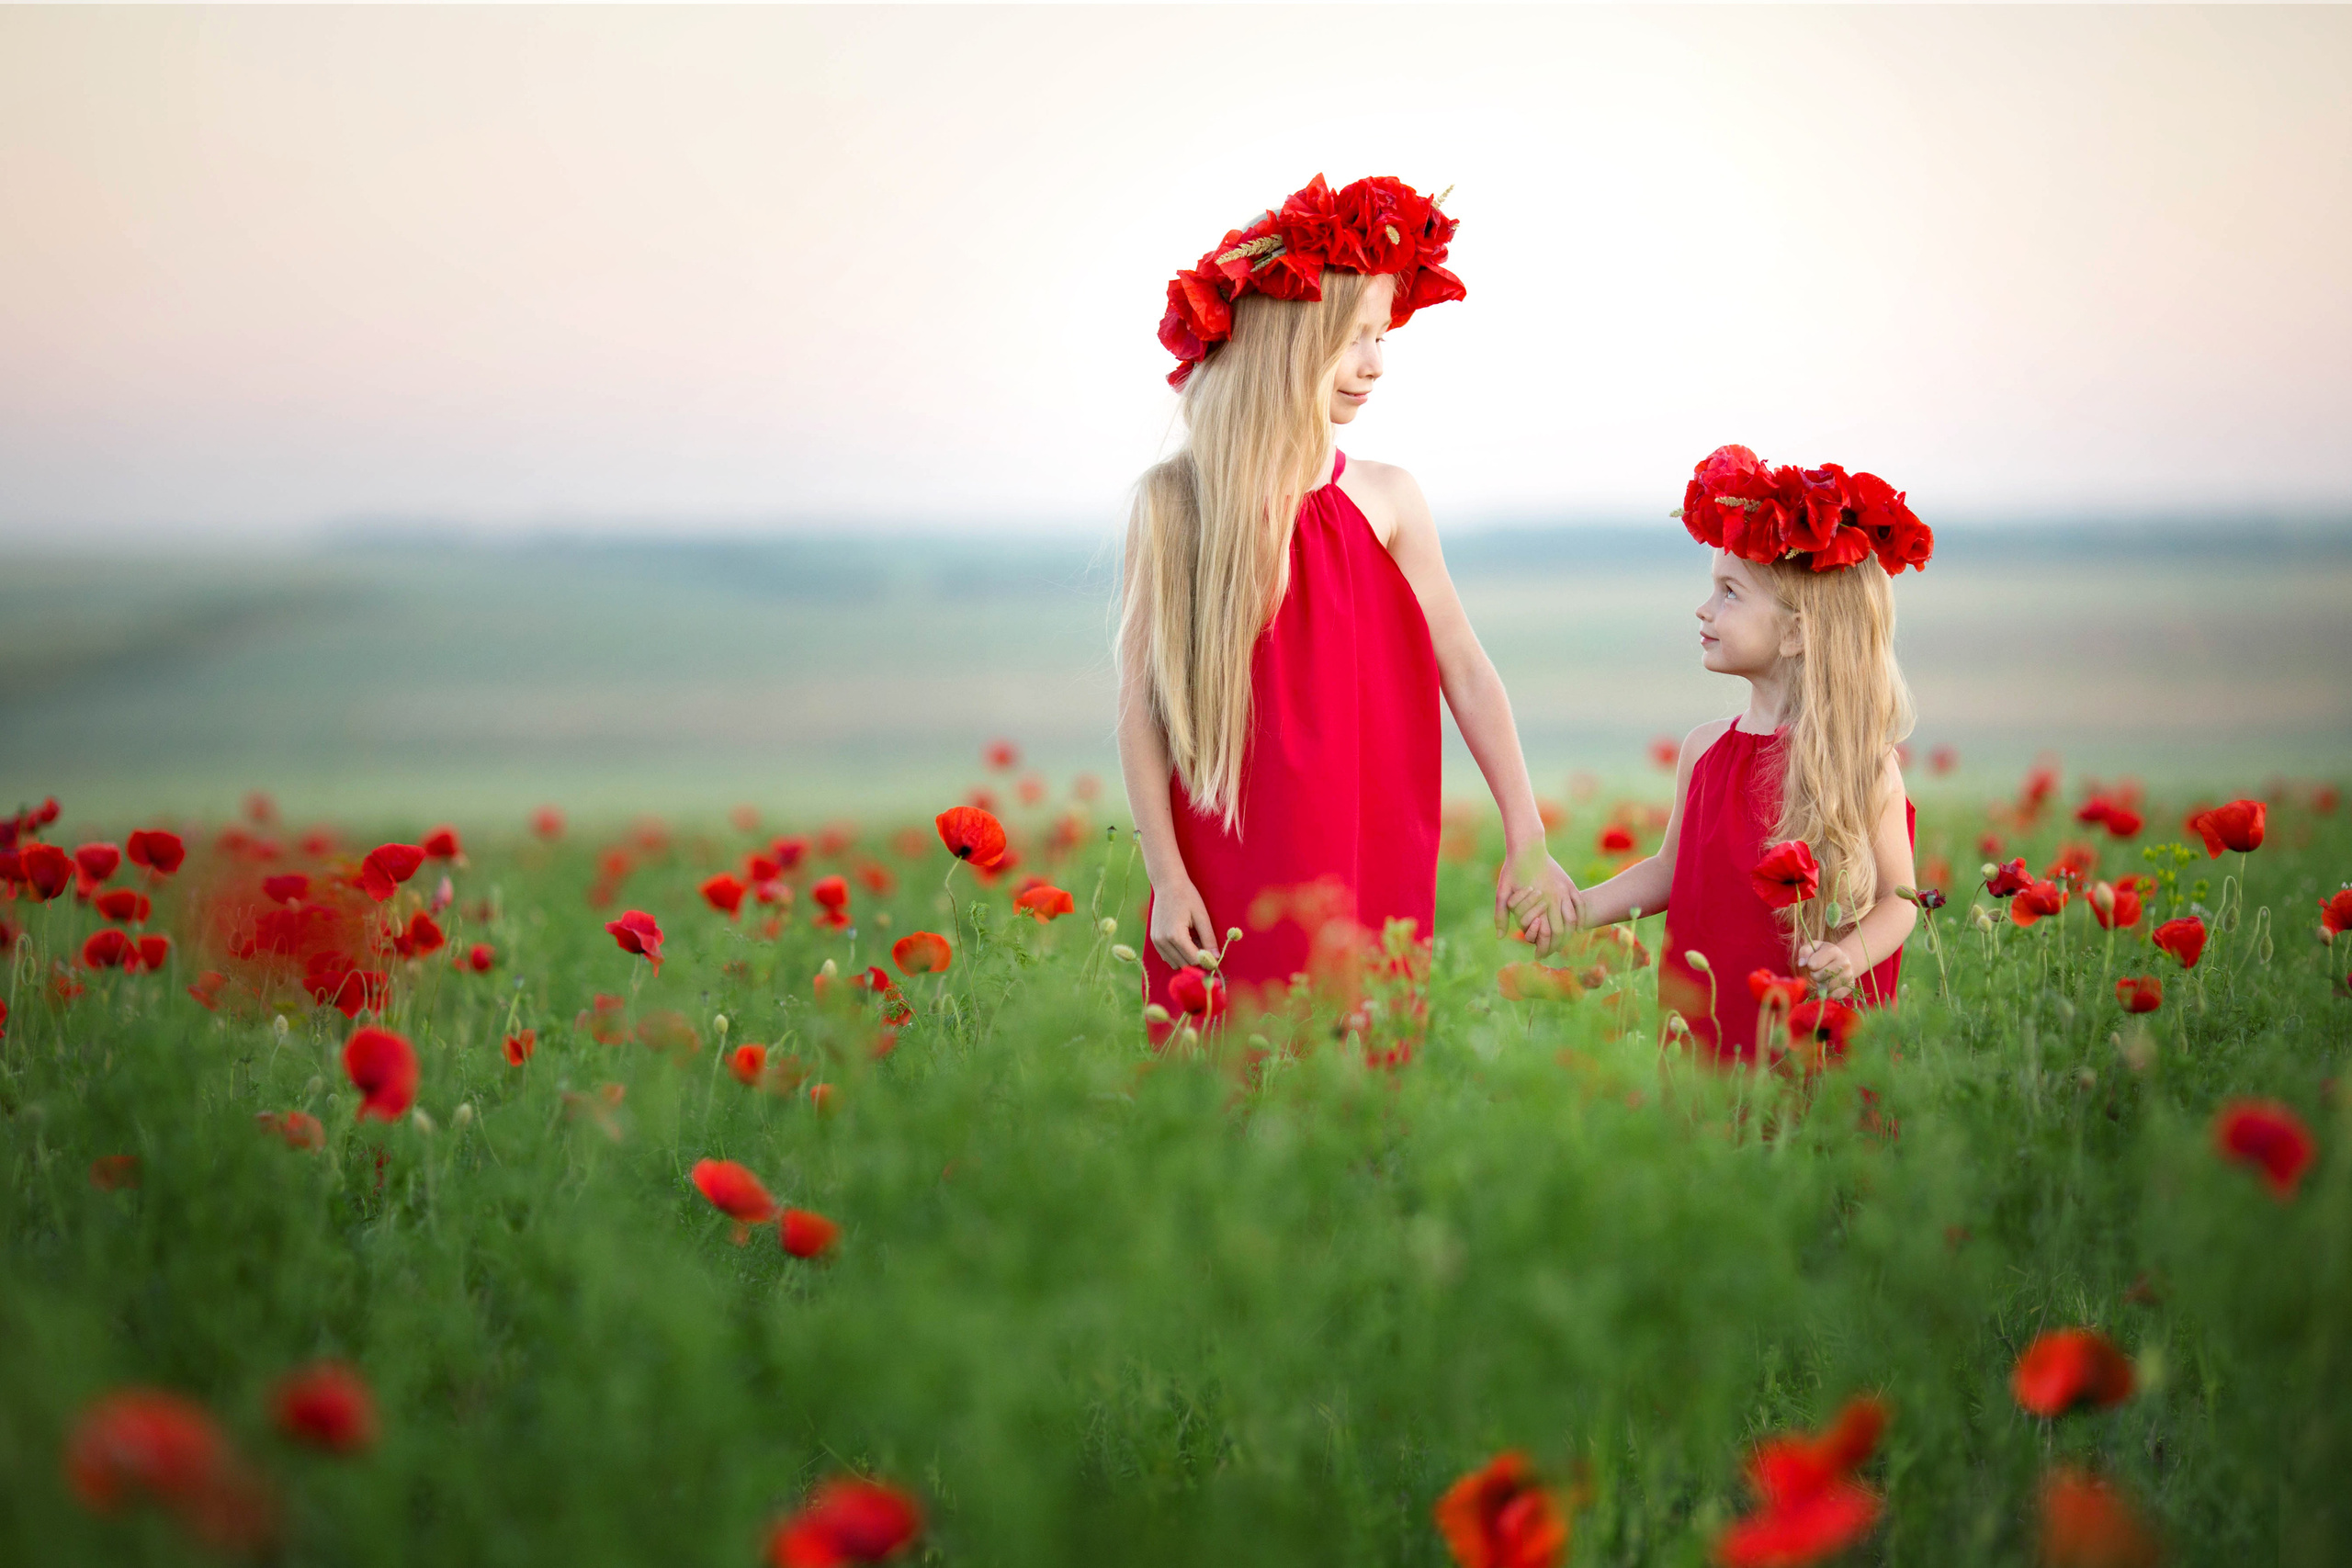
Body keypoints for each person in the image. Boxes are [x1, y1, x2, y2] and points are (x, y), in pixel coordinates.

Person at [1119, 174, 1575, 1028]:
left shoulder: (1388, 499)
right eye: (1354, 338)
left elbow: (1467, 671)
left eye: (1381, 337)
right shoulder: (1179, 504)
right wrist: (1167, 877)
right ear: (1288, 344)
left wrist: (1528, 832)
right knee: (1228, 1095)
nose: (1374, 363)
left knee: (1354, 1101)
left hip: (1367, 852)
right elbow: (1143, 711)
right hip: (1222, 869)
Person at [1544, 445, 1929, 1063]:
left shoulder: (1859, 762)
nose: (1705, 608)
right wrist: (1579, 908)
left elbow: (1899, 900)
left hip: (1810, 1023)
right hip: (1713, 1021)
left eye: (1729, 593)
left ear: (1799, 630)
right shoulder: (1704, 751)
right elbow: (1670, 871)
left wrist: (1848, 956)